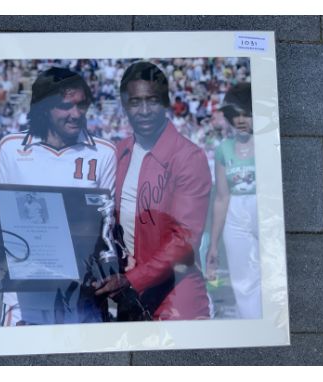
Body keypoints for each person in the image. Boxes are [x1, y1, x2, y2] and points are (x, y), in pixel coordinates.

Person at [0, 67, 116, 326]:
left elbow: (108, 224)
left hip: (82, 295)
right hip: (24, 297)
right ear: (43, 107)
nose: (76, 114)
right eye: (65, 106)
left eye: (81, 105)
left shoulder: (105, 153)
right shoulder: (11, 149)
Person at [94, 61, 212, 321]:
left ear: (166, 102)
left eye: (153, 101)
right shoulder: (117, 153)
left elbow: (184, 240)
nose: (144, 110)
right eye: (135, 102)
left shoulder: (189, 157)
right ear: (125, 105)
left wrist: (130, 280)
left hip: (176, 302)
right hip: (128, 299)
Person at [205, 83, 261, 319]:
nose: (240, 120)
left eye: (246, 113)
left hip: (261, 206)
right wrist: (214, 245)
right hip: (234, 214)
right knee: (243, 280)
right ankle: (254, 327)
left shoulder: (266, 145)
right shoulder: (223, 150)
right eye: (234, 114)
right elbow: (221, 197)